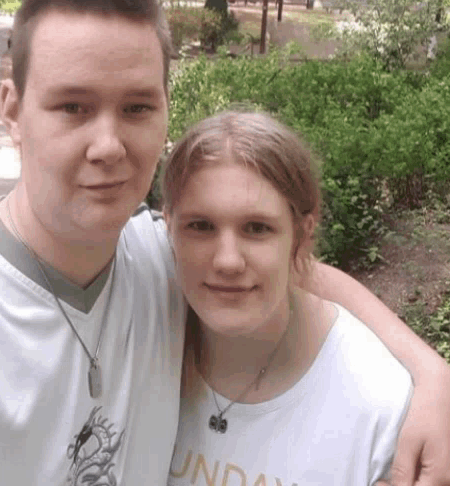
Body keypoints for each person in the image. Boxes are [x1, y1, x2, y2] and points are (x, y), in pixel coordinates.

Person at [0, 0, 450, 486]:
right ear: (11, 108)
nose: (109, 146)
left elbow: (295, 269)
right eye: (73, 107)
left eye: (138, 107)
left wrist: (433, 376)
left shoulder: (157, 249)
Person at [162, 110, 412, 484]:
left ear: (301, 233)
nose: (227, 260)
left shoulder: (378, 406)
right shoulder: (139, 339)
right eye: (200, 226)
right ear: (167, 225)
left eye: (257, 228)